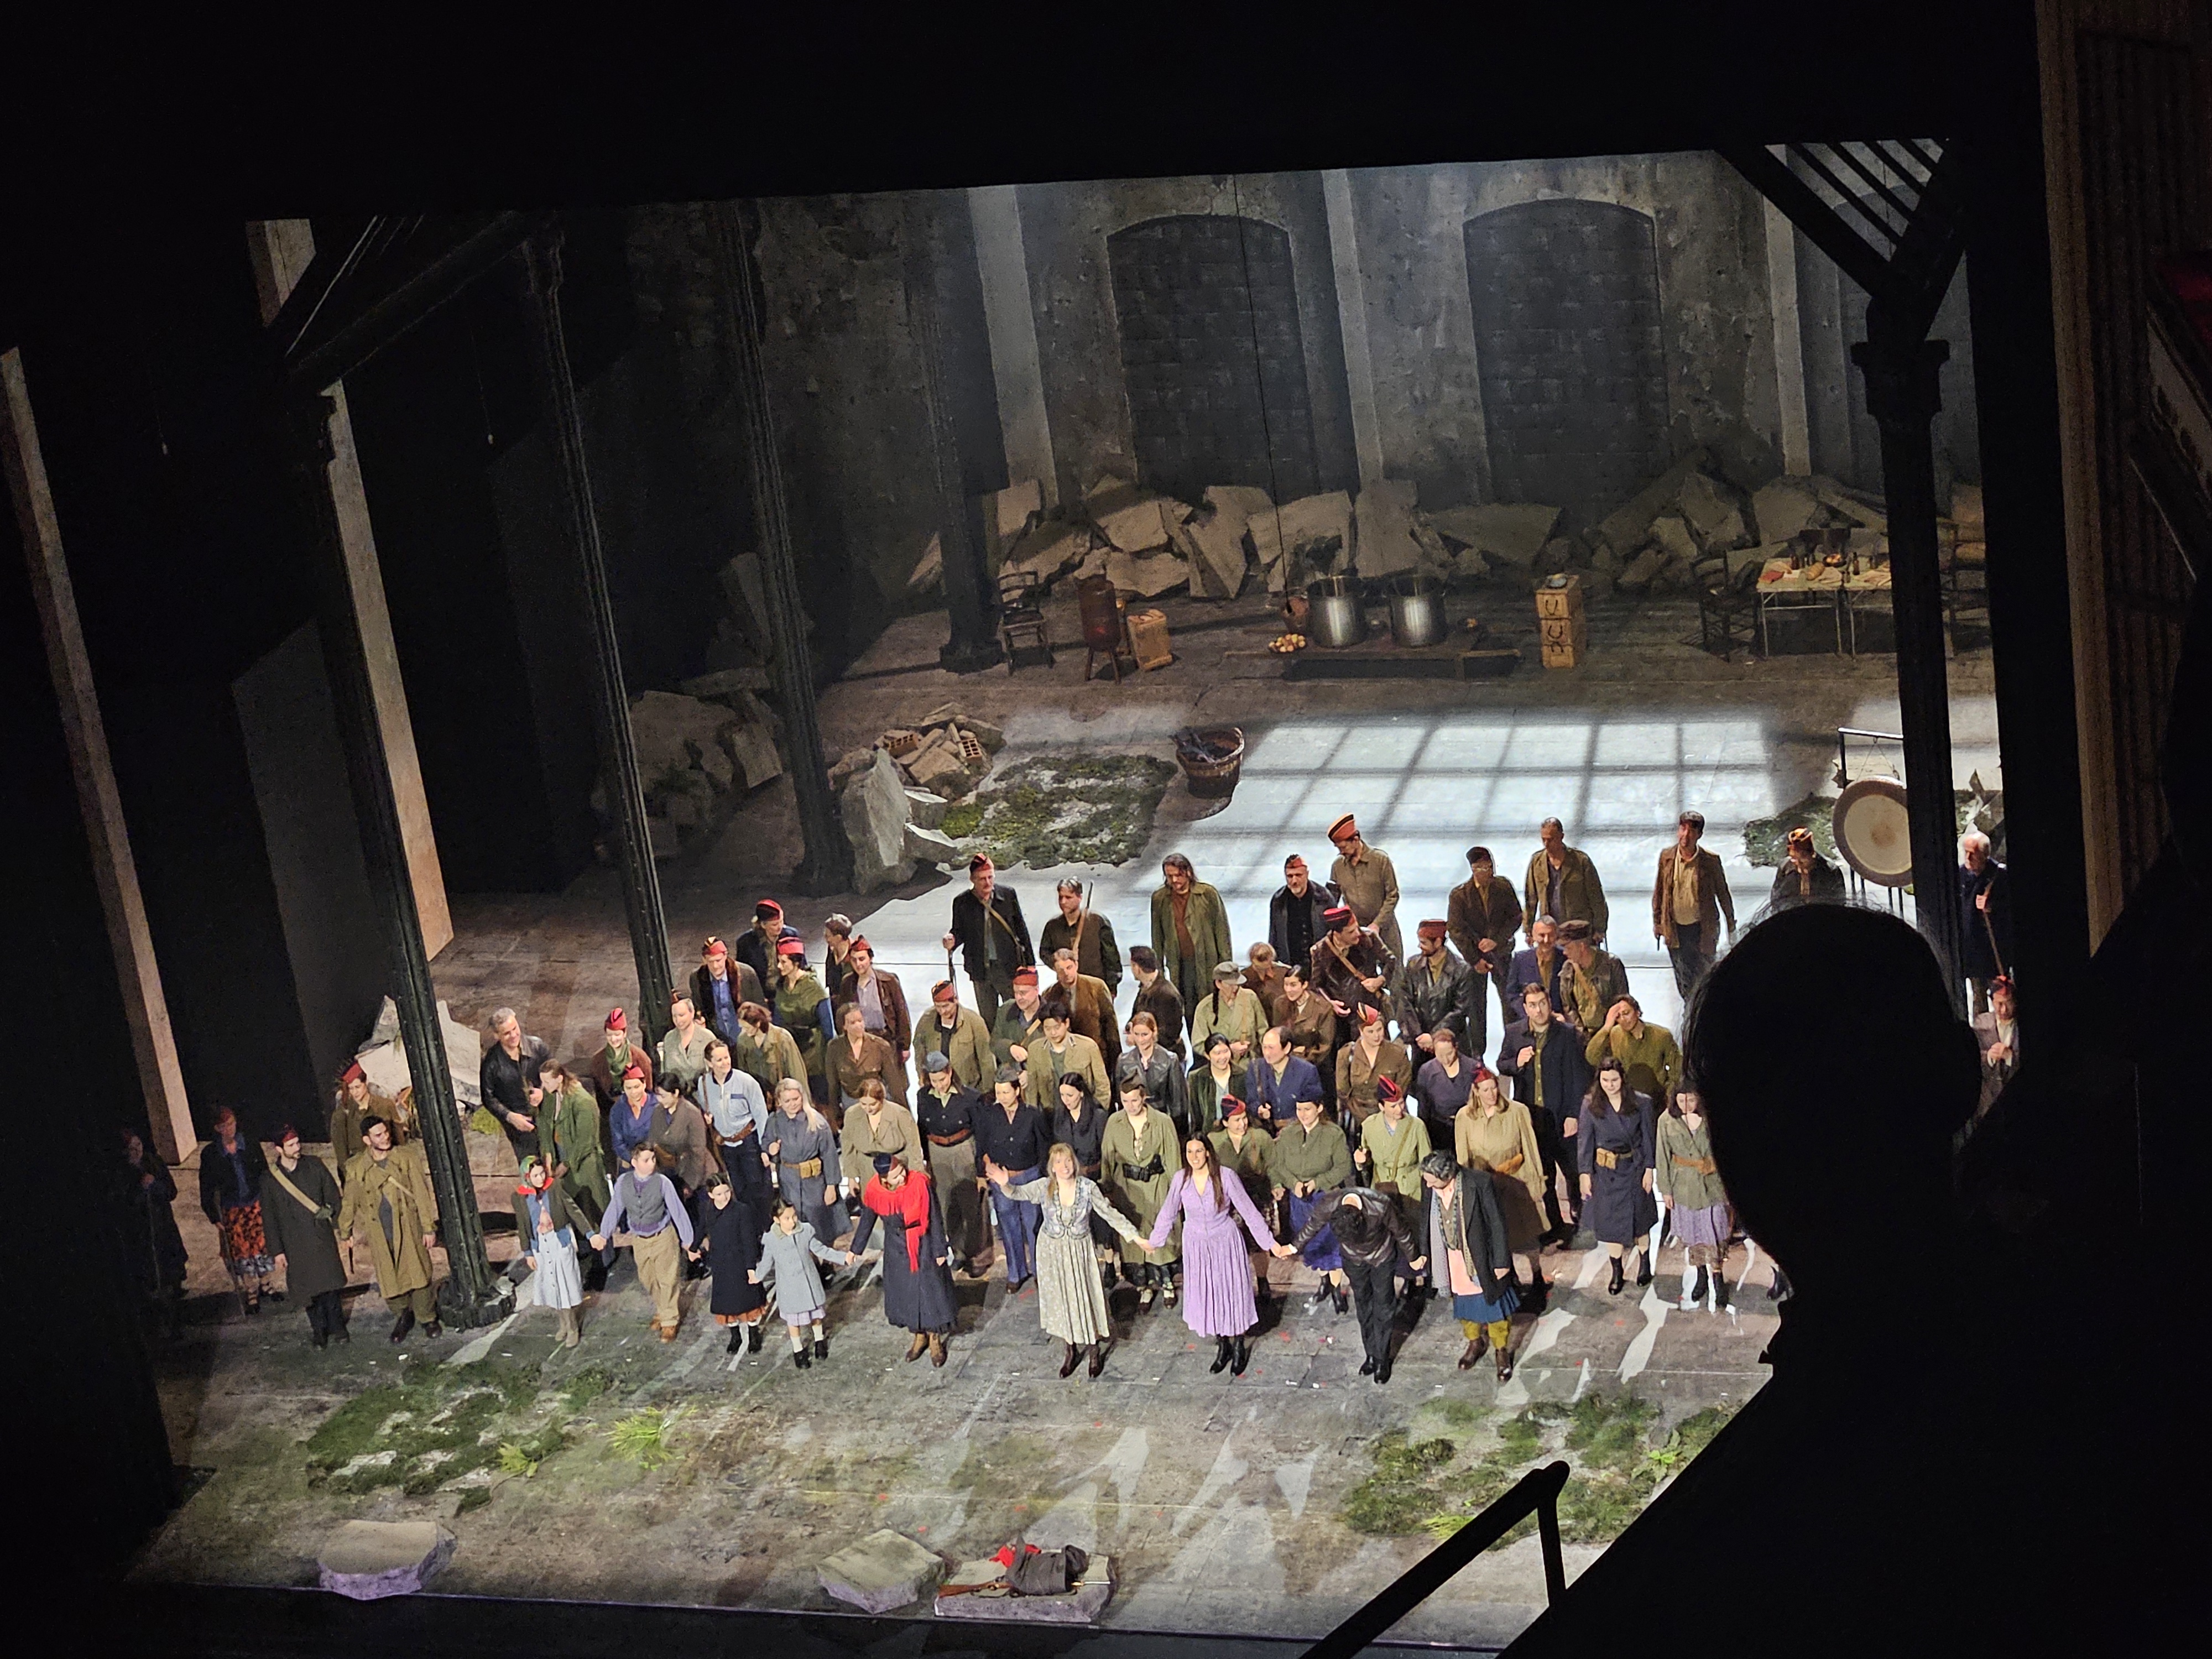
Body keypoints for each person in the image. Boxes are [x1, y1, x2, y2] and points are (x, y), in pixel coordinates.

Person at [986, 1141, 1151, 1378]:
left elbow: (1109, 1214)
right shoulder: (1045, 1187)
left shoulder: (1087, 1188)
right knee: (1062, 1300)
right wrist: (1005, 1184)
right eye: (1059, 1162)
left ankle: (1093, 1350)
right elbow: (1019, 1193)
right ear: (1052, 1167)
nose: (1064, 1166)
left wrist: (1135, 1237)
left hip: (1079, 1252)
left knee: (1085, 1298)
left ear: (1074, 1162)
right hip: (1053, 1253)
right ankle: (1070, 1350)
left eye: (1068, 1161)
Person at [1151, 1133, 1281, 1376]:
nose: (1194, 1157)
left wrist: (1270, 1243)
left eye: (1199, 1151)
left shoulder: (1226, 1176)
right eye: (1190, 1152)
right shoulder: (1181, 1179)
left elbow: (1249, 1211)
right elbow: (1168, 1212)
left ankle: (1239, 1343)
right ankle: (1223, 1345)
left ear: (1208, 1152)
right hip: (1197, 1246)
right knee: (1208, 1293)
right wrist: (1154, 1241)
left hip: (1225, 1242)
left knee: (1231, 1291)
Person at [1278, 1184, 1424, 1384]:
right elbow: (1313, 1225)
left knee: (1384, 1305)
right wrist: (1293, 1247)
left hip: (1381, 1256)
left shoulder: (1380, 1205)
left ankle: (1382, 1359)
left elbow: (1401, 1232)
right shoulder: (1329, 1204)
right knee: (1363, 1304)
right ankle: (1371, 1355)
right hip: (1353, 1260)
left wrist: (1413, 1258)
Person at [1451, 1067, 1550, 1311]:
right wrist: (1465, 1191)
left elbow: (1530, 1148)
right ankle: (1511, 1280)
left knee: (1526, 1236)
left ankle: (1537, 1278)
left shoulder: (1517, 1111)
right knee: (1498, 1239)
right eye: (1485, 1090)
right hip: (1485, 1188)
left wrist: (1536, 1183)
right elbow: (1463, 1158)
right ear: (1476, 1091)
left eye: (1494, 1088)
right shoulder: (1465, 1117)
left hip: (1515, 1183)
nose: (1492, 1094)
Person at [337, 1115, 442, 1341]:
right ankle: (403, 1315)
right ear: (367, 1140)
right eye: (378, 1135)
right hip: (380, 1230)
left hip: (408, 1225)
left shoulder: (406, 1158)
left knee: (419, 1271)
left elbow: (421, 1194)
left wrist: (428, 1227)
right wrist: (345, 1232)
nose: (385, 1137)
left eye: (386, 1132)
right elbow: (350, 1201)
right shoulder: (356, 1167)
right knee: (389, 1274)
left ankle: (427, 1317)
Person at [1499, 984, 1590, 1244]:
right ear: (1525, 1008)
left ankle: (1581, 1221)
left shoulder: (1567, 1034)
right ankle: (1555, 1225)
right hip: (1532, 1119)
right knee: (1544, 1174)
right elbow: (1502, 1064)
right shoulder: (1515, 1033)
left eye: (1542, 1003)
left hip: (1561, 1117)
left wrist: (1573, 1114)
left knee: (1572, 1171)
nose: (1538, 1010)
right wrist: (1517, 1062)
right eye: (1533, 1005)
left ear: (1549, 1003)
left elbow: (1579, 1077)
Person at [1422, 1150, 1518, 1380]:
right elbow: (1426, 1223)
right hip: (1452, 1259)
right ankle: (1475, 1342)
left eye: (1432, 1180)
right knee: (1465, 1307)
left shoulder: (1479, 1183)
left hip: (1480, 1258)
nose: (1428, 1184)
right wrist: (1425, 1254)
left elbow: (1496, 1223)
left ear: (1447, 1176)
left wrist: (1501, 1261)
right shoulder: (1430, 1188)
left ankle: (1501, 1350)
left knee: (1494, 1309)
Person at [591, 1142, 697, 1342]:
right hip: (639, 1239)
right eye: (646, 1160)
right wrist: (604, 1234)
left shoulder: (662, 1183)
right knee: (648, 1279)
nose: (652, 1163)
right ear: (635, 1162)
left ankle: (669, 1320)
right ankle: (662, 1309)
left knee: (667, 1279)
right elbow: (615, 1209)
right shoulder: (624, 1183)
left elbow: (678, 1212)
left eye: (653, 1159)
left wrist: (688, 1242)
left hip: (663, 1237)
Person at [860, 1154, 960, 1366]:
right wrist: (855, 1249)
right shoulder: (876, 1191)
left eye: (902, 1171)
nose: (902, 1177)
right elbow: (868, 1218)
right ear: (885, 1179)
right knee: (906, 1293)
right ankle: (919, 1335)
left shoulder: (920, 1184)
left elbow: (935, 1217)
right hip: (897, 1249)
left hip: (924, 1244)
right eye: (896, 1176)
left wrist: (940, 1250)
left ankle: (934, 1338)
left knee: (929, 1292)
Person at [260, 1125, 348, 1348]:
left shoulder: (315, 1166)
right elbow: (269, 1218)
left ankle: (338, 1328)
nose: (297, 1147)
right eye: (291, 1145)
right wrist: (277, 1251)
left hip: (320, 1237)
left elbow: (333, 1197)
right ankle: (319, 1331)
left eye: (297, 1143)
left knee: (330, 1287)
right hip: (294, 1243)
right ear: (279, 1149)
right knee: (309, 1292)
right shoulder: (270, 1180)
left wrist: (340, 1228)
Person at [1578, 1056, 1657, 1295]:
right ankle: (1617, 1271)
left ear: (1622, 1079)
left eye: (1614, 1080)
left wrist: (1649, 1169)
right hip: (1606, 1174)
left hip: (1634, 1168)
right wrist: (1585, 1173)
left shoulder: (1642, 1103)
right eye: (1605, 1080)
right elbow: (1585, 1141)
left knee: (1640, 1221)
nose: (1610, 1085)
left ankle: (1645, 1263)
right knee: (1611, 1225)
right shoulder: (1590, 1105)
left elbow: (1648, 1139)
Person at [1270, 1095, 1354, 1314]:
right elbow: (1279, 1165)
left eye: (1307, 1109)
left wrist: (1317, 1183)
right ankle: (1324, 1282)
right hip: (1300, 1202)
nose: (1303, 1114)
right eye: (1299, 1109)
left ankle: (1337, 1289)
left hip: (1326, 1198)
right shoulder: (1289, 1134)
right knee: (1311, 1244)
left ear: (1319, 1108)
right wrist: (1294, 1183)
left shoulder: (1333, 1134)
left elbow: (1343, 1167)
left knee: (1331, 1244)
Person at [1103, 1078, 1182, 1306]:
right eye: (1125, 1101)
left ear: (1144, 1098)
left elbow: (1173, 1160)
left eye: (1134, 1101)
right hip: (1127, 1189)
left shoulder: (1162, 1122)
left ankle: (1167, 1285)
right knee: (1134, 1238)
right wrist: (1108, 1189)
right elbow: (1107, 1158)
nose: (1130, 1106)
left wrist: (1177, 1193)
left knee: (1162, 1234)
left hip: (1156, 1185)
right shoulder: (1115, 1122)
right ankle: (1144, 1287)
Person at [752, 1195, 853, 1368]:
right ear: (777, 1220)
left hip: (809, 1284)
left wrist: (843, 1257)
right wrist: (757, 1276)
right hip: (790, 1288)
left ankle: (819, 1340)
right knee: (794, 1321)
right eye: (787, 1218)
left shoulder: (805, 1231)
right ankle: (798, 1349)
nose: (792, 1221)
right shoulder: (772, 1240)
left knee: (816, 1316)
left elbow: (821, 1250)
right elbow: (767, 1262)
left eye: (794, 1216)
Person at [974, 1065, 1051, 1290]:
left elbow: (1044, 1148)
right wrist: (984, 1173)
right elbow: (982, 1147)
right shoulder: (989, 1116)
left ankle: (1039, 1270)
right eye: (999, 1092)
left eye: (1006, 1092)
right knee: (1008, 1227)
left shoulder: (1033, 1115)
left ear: (1017, 1091)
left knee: (1034, 1225)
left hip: (1030, 1177)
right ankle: (1016, 1273)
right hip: (1002, 1180)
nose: (1002, 1097)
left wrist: (1045, 1178)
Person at [916, 1051, 990, 1273]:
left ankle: (979, 1255)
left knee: (973, 1206)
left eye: (942, 1079)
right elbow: (922, 1128)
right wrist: (926, 1160)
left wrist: (981, 1170)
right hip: (937, 1152)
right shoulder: (924, 1097)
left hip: (963, 1149)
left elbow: (981, 1134)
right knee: (947, 1204)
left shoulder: (970, 1097)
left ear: (950, 1073)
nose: (939, 1085)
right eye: (934, 1081)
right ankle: (959, 1251)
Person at [1656, 1086, 1729, 1312]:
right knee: (1694, 1233)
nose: (1686, 1106)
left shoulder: (1712, 1115)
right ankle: (1701, 1275)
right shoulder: (1666, 1120)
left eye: (1691, 1100)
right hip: (1684, 1187)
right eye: (1681, 1101)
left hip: (1712, 1184)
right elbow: (1662, 1156)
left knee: (1714, 1232)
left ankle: (1718, 1277)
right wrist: (1666, 1190)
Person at [1652, 810, 1736, 999]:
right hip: (1675, 928)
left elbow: (1723, 894)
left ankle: (1704, 1005)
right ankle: (1689, 1006)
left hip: (1702, 929)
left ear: (1699, 835)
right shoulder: (1667, 857)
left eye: (1691, 831)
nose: (1686, 835)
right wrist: (1658, 922)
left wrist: (1731, 925)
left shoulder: (1710, 862)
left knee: (1704, 973)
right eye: (1683, 829)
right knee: (1682, 975)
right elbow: (1660, 891)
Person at [199, 1108, 276, 1313]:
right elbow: (206, 1187)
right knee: (242, 1252)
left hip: (255, 1204)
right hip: (232, 1208)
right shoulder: (211, 1153)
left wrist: (268, 1200)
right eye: (225, 1126)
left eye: (232, 1123)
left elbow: (264, 1173)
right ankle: (251, 1290)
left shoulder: (249, 1143)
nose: (230, 1129)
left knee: (262, 1246)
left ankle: (266, 1283)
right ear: (218, 1129)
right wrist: (214, 1217)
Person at [944, 853, 1034, 1029]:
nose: (988, 882)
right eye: (982, 879)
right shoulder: (962, 903)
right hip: (980, 970)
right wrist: (952, 940)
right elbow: (959, 931)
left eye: (990, 877)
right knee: (988, 1019)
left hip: (1008, 967)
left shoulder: (1008, 895)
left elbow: (1021, 930)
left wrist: (1030, 964)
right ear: (972, 879)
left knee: (1015, 1015)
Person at [1449, 845, 1525, 1050]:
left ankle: (1514, 1047)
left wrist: (1497, 940)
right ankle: (1477, 1052)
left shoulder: (1503, 887)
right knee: (1476, 1008)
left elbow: (1516, 917)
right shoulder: (1460, 896)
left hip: (1501, 954)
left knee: (1510, 1002)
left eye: (1490, 866)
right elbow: (1456, 931)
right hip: (1476, 958)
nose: (1489, 872)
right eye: (1483, 868)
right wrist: (1475, 959)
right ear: (1474, 869)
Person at [1355, 1076, 1432, 1276]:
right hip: (1383, 1187)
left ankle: (1413, 1278)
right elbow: (1366, 1161)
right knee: (1385, 1237)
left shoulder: (1416, 1126)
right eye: (1393, 1106)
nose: (1400, 1109)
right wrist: (1361, 1161)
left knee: (1411, 1235)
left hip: (1410, 1191)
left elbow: (1426, 1162)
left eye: (1401, 1103)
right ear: (1381, 1106)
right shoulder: (1369, 1126)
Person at [838, 1076, 920, 1261]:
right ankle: (885, 1253)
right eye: (863, 1104)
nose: (868, 1109)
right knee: (872, 1214)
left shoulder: (899, 1114)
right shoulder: (852, 1115)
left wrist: (918, 1176)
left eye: (872, 1104)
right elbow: (848, 1147)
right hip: (867, 1169)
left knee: (898, 1215)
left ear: (881, 1099)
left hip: (896, 1168)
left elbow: (913, 1147)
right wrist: (851, 1177)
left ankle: (907, 1252)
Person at [116, 1129, 186, 1336]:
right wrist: (140, 1189)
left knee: (171, 1278)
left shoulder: (154, 1163)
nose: (137, 1151)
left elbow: (171, 1192)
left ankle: (176, 1323)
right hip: (142, 1236)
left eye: (138, 1146)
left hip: (163, 1229)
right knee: (152, 1283)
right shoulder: (122, 1173)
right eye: (132, 1149)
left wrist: (154, 1184)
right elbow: (123, 1204)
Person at [515, 1156, 591, 1348]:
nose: (541, 1178)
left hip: (559, 1242)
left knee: (565, 1286)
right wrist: (528, 1252)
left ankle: (572, 1327)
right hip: (541, 1246)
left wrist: (589, 1233)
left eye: (542, 1173)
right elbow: (523, 1226)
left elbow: (573, 1210)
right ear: (527, 1177)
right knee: (552, 1287)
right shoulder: (520, 1198)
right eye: (535, 1175)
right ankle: (563, 1323)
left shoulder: (555, 1188)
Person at [1208, 1097, 1276, 1297]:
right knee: (1231, 1244)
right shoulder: (1214, 1141)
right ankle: (1235, 1282)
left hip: (1257, 1196)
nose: (1242, 1123)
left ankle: (1263, 1280)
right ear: (1225, 1122)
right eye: (1237, 1120)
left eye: (1244, 1118)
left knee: (1259, 1243)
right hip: (1227, 1200)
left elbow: (1273, 1165)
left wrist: (1277, 1186)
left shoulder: (1260, 1137)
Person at [1150, 852, 1232, 1018]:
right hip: (1179, 964)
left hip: (1208, 962)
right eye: (1169, 876)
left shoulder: (1207, 894)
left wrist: (1226, 970)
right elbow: (1157, 938)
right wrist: (1159, 972)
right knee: (1187, 1009)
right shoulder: (1160, 899)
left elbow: (1222, 933)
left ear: (1188, 872)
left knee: (1212, 1007)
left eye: (1178, 875)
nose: (1174, 880)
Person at [764, 1077, 844, 1243]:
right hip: (789, 1182)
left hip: (814, 1183)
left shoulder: (817, 1121)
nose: (792, 1104)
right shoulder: (775, 1121)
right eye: (787, 1101)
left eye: (796, 1099)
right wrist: (770, 1148)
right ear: (780, 1101)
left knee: (818, 1224)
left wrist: (831, 1186)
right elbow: (766, 1142)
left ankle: (822, 1254)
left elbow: (829, 1155)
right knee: (793, 1221)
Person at [646, 1085, 714, 1277]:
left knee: (698, 1219)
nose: (659, 1100)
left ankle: (703, 1259)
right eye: (658, 1095)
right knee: (681, 1219)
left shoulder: (691, 1113)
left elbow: (698, 1151)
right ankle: (690, 1258)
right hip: (671, 1171)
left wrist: (691, 1184)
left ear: (675, 1093)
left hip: (695, 1172)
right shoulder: (658, 1113)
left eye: (663, 1095)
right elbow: (653, 1140)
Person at [698, 1041, 771, 1214]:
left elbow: (762, 1116)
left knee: (758, 1189)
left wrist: (765, 1149)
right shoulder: (704, 1083)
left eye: (727, 1057)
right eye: (719, 1060)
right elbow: (705, 1105)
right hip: (726, 1145)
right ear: (709, 1063)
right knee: (739, 1190)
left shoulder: (747, 1082)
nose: (725, 1062)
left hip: (749, 1143)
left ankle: (765, 1224)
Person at [698, 1174, 768, 1353]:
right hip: (721, 1264)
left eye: (727, 1192)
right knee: (727, 1303)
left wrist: (751, 1267)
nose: (724, 1197)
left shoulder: (741, 1211)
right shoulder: (708, 1211)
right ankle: (735, 1335)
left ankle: (754, 1333)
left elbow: (749, 1241)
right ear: (711, 1195)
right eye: (719, 1194)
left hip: (740, 1263)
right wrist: (693, 1248)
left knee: (749, 1300)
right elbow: (701, 1228)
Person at [479, 1007, 551, 1170]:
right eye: (507, 1033)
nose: (513, 1035)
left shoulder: (538, 1047)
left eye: (515, 1029)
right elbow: (488, 1098)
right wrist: (510, 1117)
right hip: (520, 1128)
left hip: (547, 1116)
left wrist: (544, 1092)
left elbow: (555, 1073)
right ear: (497, 1035)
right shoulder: (491, 1063)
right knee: (532, 1169)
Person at [1327, 813, 1403, 962]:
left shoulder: (1380, 860)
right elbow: (1333, 899)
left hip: (1386, 929)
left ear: (1355, 840)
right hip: (1356, 933)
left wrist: (1377, 924)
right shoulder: (1338, 866)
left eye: (1343, 847)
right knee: (1362, 971)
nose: (1341, 852)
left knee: (1394, 969)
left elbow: (1392, 895)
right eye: (1338, 848)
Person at [1584, 994, 1682, 1108]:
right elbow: (1592, 1058)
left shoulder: (1661, 1036)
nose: (1623, 1019)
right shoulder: (1615, 1034)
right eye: (1618, 1016)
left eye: (1626, 1013)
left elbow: (1676, 1071)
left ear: (1638, 1012)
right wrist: (1606, 1028)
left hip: (1656, 1099)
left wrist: (1670, 1099)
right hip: (1627, 1100)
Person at [1401, 919, 1478, 1061]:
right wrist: (1420, 1036)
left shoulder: (1462, 970)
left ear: (1438, 942)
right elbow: (1406, 1002)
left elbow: (1460, 1010)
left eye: (1424, 943)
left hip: (1451, 1043)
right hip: (1422, 1044)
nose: (1419, 946)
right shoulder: (1413, 966)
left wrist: (1434, 1036)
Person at [773, 938, 836, 1110]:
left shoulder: (814, 988)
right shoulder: (782, 986)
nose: (779, 966)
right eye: (779, 961)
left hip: (813, 1051)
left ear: (796, 963)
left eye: (784, 962)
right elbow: (777, 1021)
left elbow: (828, 1029)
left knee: (818, 1095)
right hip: (791, 1047)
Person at [1310, 903, 1396, 1028]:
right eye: (1351, 932)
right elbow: (1317, 985)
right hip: (1343, 1018)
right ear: (1338, 934)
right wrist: (1330, 1003)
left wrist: (1381, 980)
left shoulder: (1369, 938)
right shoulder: (1320, 951)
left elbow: (1391, 961)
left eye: (1357, 928)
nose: (1358, 933)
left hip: (1371, 1011)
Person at [1524, 816, 1609, 941]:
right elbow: (1531, 899)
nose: (1546, 844)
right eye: (1544, 840)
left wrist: (1600, 929)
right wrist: (1529, 929)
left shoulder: (1581, 861)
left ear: (1561, 837)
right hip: (1550, 931)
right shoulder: (1537, 863)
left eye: (1551, 840)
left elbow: (1596, 898)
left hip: (1578, 931)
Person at [1958, 830, 2013, 1015]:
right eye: (1966, 852)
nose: (1968, 858)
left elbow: (2011, 911)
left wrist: (1992, 907)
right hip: (1971, 950)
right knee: (1978, 998)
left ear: (1984, 855)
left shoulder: (2000, 875)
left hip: (1993, 951)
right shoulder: (1961, 875)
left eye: (1973, 853)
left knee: (2002, 999)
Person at [834, 936, 911, 1068]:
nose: (858, 964)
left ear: (870, 959)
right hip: (861, 1040)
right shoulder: (848, 984)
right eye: (854, 960)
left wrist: (905, 1045)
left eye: (862, 959)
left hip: (886, 1038)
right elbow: (843, 1014)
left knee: (892, 1077)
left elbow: (901, 1012)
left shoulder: (888, 981)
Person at [1337, 1004, 1414, 1131]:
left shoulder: (1397, 1054)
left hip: (1389, 1115)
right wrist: (1359, 1115)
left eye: (1379, 1030)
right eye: (1371, 1032)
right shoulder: (1346, 1054)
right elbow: (1343, 1090)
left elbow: (1403, 1086)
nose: (1376, 1036)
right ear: (1361, 1031)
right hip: (1357, 1116)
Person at [1037, 878, 1122, 993]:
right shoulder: (1053, 926)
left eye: (1069, 897)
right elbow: (1044, 952)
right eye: (1061, 897)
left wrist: (1112, 988)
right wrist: (1058, 964)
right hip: (1066, 989)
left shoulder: (1097, 922)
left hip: (1095, 988)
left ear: (1080, 897)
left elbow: (1111, 958)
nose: (1063, 902)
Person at [1024, 998, 1109, 1110]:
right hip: (1050, 1112)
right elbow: (1032, 1089)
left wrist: (1098, 1112)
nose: (1053, 1033)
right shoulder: (1035, 1049)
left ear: (1067, 1023)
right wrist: (1033, 1115)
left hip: (1083, 1111)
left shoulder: (1087, 1047)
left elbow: (1102, 1085)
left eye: (1057, 1027)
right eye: (1047, 1028)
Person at [828, 999, 908, 1115]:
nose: (859, 1026)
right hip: (851, 1104)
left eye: (860, 1021)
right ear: (844, 1026)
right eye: (853, 1023)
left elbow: (894, 1084)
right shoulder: (835, 1047)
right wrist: (835, 1115)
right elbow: (833, 1085)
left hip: (877, 1102)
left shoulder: (880, 1046)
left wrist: (903, 1113)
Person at [1050, 946, 1121, 1075]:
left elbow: (1110, 1025)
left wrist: (1115, 1060)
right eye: (1061, 970)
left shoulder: (1096, 987)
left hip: (1097, 1055)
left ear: (1076, 965)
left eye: (1069, 967)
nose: (1066, 973)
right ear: (1055, 970)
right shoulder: (1051, 995)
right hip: (1067, 1061)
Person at [1274, 963, 1339, 1104]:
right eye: (1286, 985)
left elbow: (1325, 1046)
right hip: (1286, 1066)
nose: (1289, 990)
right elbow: (1277, 1036)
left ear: (1305, 985)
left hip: (1317, 1068)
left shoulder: (1322, 1008)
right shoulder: (1280, 1004)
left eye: (1293, 985)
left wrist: (1302, 1058)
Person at [1245, 1024, 1324, 1139]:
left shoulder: (1306, 1071)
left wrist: (1292, 1128)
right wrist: (1259, 1110)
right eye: (1264, 1047)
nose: (1267, 1053)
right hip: (1266, 1132)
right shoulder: (1256, 1068)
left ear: (1287, 1048)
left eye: (1271, 1048)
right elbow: (1251, 1100)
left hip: (1298, 1132)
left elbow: (1312, 1107)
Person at [1554, 919, 1630, 1039]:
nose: (1565, 953)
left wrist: (1609, 1030)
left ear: (1582, 946)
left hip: (1610, 1034)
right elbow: (1568, 1007)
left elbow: (1623, 1002)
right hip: (1582, 1037)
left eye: (1568, 948)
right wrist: (1581, 1034)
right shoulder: (1568, 970)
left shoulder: (1611, 965)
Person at [1115, 1011, 1188, 1134]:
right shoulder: (1124, 1061)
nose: (1140, 1039)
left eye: (1145, 1034)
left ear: (1154, 1032)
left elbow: (1178, 1103)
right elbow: (1120, 1098)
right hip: (1134, 1123)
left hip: (1161, 1123)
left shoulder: (1170, 1060)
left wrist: (1176, 1132)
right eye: (1137, 1034)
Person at [917, 979, 994, 1091]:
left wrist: (987, 1092)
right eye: (938, 1007)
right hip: (938, 1088)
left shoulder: (974, 1022)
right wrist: (923, 1077)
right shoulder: (927, 1021)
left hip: (967, 1088)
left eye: (946, 1006)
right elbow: (920, 1050)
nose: (942, 1011)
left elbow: (986, 1059)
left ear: (956, 1000)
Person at [690, 935, 767, 1045]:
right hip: (718, 1039)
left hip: (746, 1035)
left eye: (718, 960)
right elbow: (698, 1007)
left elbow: (761, 1006)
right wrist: (699, 1019)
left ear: (725, 955)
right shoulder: (697, 978)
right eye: (710, 962)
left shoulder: (746, 974)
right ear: (704, 960)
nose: (715, 966)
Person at [1269, 853, 1335, 973]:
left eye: (1299, 875)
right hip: (1290, 966)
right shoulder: (1279, 900)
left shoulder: (1324, 898)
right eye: (1290, 876)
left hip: (1320, 965)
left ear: (1307, 874)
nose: (1294, 881)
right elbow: (1274, 935)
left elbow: (1335, 933)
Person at [1191, 960, 1266, 1065]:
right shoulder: (1205, 1007)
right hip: (1221, 1065)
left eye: (1237, 984)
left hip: (1250, 1063)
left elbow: (1263, 1030)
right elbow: (1199, 1043)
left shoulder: (1250, 998)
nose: (1235, 988)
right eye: (1230, 985)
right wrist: (1227, 1049)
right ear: (1219, 984)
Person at [328, 1061, 393, 1175]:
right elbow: (341, 1149)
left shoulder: (383, 1105)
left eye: (358, 1087)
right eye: (351, 1089)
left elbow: (397, 1137)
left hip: (386, 1162)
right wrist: (349, 1173)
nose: (355, 1092)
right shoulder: (343, 1114)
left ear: (366, 1083)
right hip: (361, 1166)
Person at [587, 1007, 654, 1111]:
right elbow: (600, 1095)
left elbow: (649, 1090)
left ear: (625, 1033)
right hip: (609, 1111)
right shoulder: (598, 1060)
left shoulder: (640, 1058)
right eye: (609, 1035)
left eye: (617, 1034)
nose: (613, 1039)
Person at [1972, 975, 2020, 1118]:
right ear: (1992, 1001)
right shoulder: (1981, 1024)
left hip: (2018, 1101)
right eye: (1999, 1004)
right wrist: (1989, 1057)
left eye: (2008, 1003)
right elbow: (1972, 1059)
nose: (2003, 1010)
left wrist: (2011, 1057)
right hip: (1989, 1104)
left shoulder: (2023, 1026)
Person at [656, 993, 719, 1101]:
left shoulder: (707, 1038)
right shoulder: (669, 1038)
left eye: (682, 1015)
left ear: (692, 1013)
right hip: (679, 1098)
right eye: (675, 1016)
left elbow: (718, 1071)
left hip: (705, 1097)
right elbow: (666, 1072)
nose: (678, 1020)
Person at [1128, 946, 1187, 1060]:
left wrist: (1139, 1038)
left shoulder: (1166, 994)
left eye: (1132, 965)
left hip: (1167, 1059)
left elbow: (1171, 1033)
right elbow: (1136, 1015)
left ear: (1137, 968)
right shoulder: (1146, 987)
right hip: (1151, 1055)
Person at [1768, 826, 1845, 911]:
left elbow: (1839, 901)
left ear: (1812, 854)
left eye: (1802, 859)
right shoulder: (1785, 868)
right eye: (1794, 859)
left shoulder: (1830, 870)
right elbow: (1776, 899)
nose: (1798, 863)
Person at [741, 999, 808, 1094]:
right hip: (757, 1095)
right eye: (742, 1027)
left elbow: (797, 1073)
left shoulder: (782, 1038)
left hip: (782, 1095)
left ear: (758, 1024)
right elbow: (743, 1074)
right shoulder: (743, 1041)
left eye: (747, 1027)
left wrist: (804, 1099)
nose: (744, 1030)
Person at [1413, 1024, 1477, 1123]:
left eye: (1449, 1054)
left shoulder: (1473, 1068)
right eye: (1440, 1055)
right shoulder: (1426, 1071)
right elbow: (1424, 1107)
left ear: (1456, 1047)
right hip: (1440, 1125)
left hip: (1470, 1122)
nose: (1446, 1060)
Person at [1505, 915, 1566, 1017]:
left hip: (1560, 1019)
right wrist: (1529, 1013)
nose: (1546, 940)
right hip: (1529, 1019)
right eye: (1542, 935)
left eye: (1550, 935)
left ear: (1557, 936)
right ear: (1533, 936)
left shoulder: (1565, 959)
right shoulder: (1521, 960)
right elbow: (1512, 994)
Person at [992, 964, 1047, 1071]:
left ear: (1036, 990)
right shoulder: (1006, 1011)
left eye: (1023, 993)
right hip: (1012, 1075)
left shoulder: (1051, 1015)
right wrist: (1010, 1048)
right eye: (1016, 993)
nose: (1019, 998)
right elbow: (994, 1042)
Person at [1187, 1031, 1241, 1138]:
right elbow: (1195, 1114)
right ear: (1208, 1056)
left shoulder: (1241, 1075)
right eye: (1217, 1053)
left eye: (1226, 1051)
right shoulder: (1197, 1078)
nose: (1223, 1057)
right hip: (1209, 1134)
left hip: (1236, 1132)